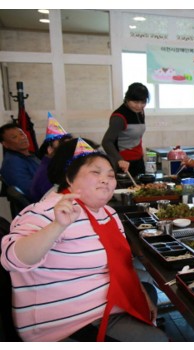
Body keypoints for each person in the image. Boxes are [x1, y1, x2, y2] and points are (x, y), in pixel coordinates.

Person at [0, 138, 168, 342]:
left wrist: (139, 294)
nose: (105, 179)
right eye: (95, 173)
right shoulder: (49, 211)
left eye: (110, 175)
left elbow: (121, 264)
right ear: (70, 180)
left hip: (107, 304)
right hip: (66, 324)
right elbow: (13, 259)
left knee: (149, 297)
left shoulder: (107, 212)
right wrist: (57, 226)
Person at [102, 82, 149, 177]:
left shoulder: (139, 112)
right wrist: (119, 160)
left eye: (143, 102)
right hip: (124, 163)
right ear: (127, 99)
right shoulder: (119, 117)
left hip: (138, 160)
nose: (139, 106)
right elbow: (107, 142)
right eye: (135, 102)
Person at [30, 114, 73, 202]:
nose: (69, 151)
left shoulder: (54, 165)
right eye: (63, 146)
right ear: (50, 149)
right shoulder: (49, 173)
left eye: (70, 147)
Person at [0, 123, 40, 202]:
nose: (22, 138)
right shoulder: (12, 163)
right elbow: (31, 192)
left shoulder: (30, 156)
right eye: (14, 137)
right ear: (5, 144)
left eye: (22, 134)